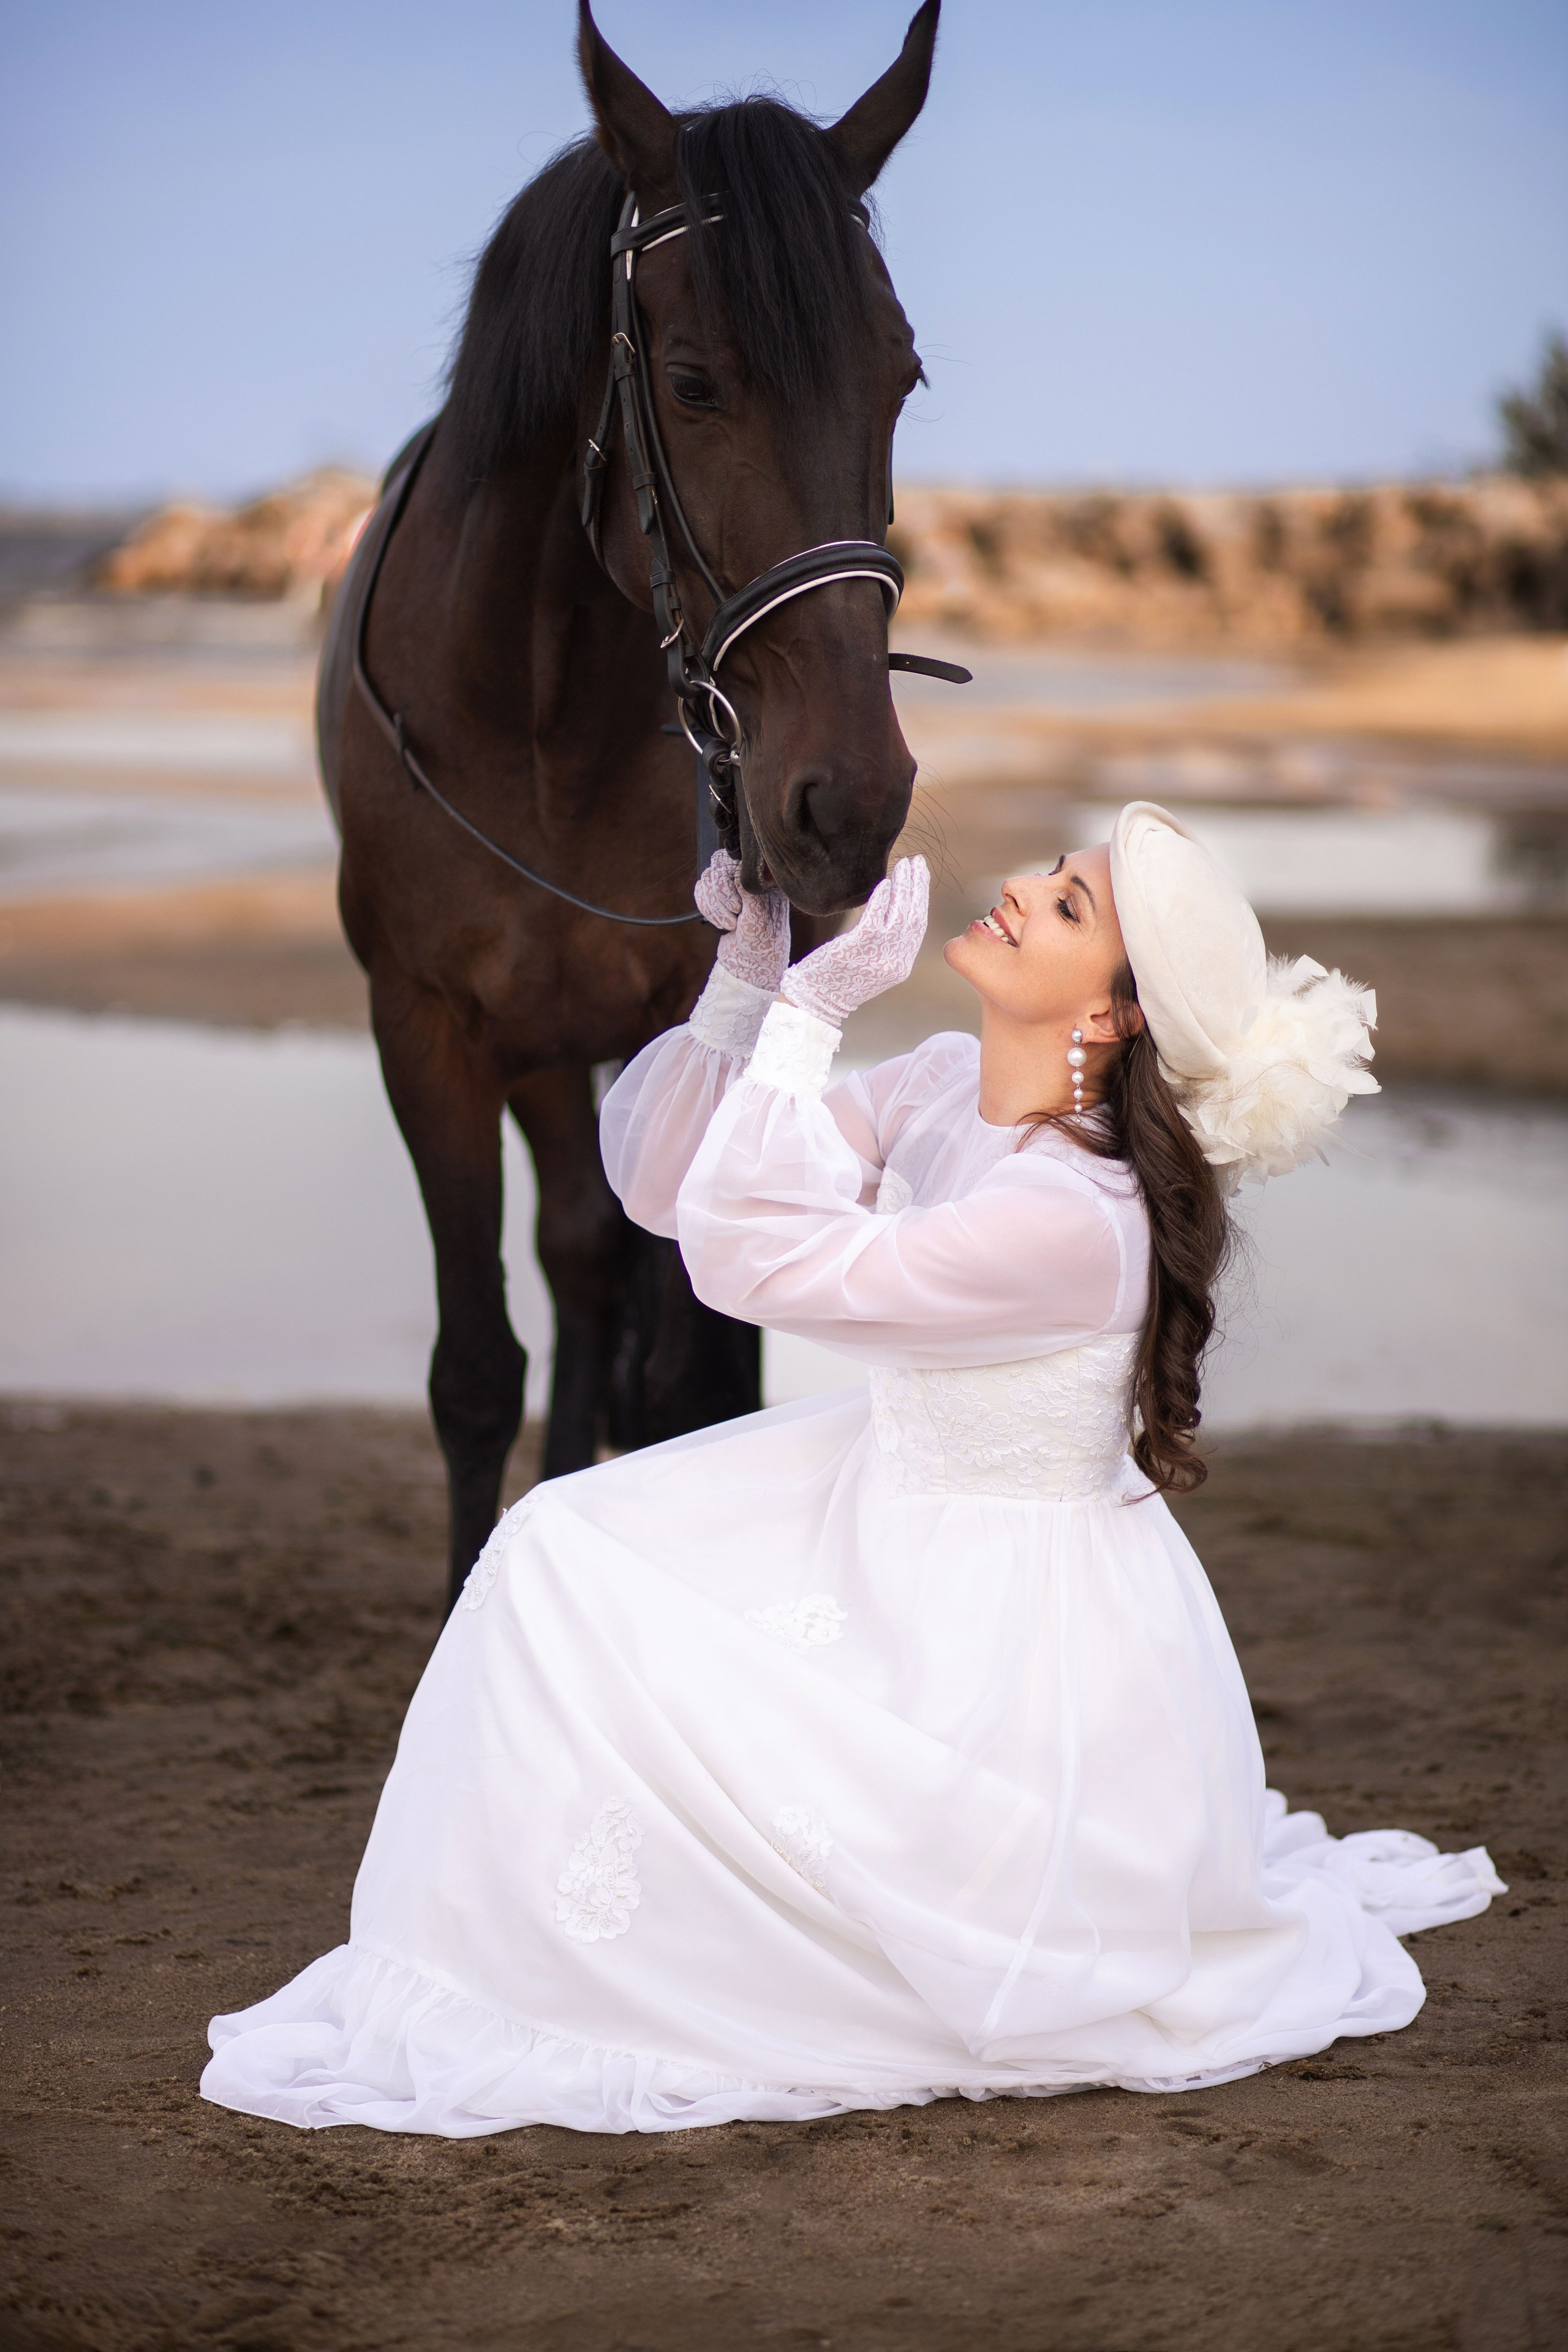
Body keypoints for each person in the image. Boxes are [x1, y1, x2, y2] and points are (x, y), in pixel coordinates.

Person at [202, 801, 1502, 2137]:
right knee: (561, 1544)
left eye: (1066, 909)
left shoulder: (1069, 1220)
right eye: (1051, 874)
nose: (1017, 890)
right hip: (871, 1498)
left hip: (993, 1637)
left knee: (567, 1574)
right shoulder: (947, 1078)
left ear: (1111, 1019)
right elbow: (675, 1190)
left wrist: (814, 1019)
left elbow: (747, 1263)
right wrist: (747, 988)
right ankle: (512, 1920)